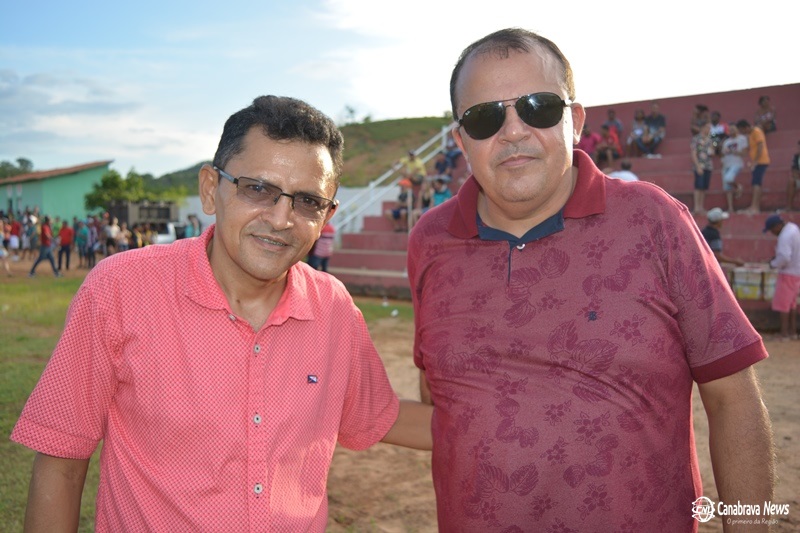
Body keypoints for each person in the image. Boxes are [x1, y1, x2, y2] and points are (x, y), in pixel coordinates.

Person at [408, 27, 773, 532]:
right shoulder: (429, 241)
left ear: (575, 121)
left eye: (538, 108)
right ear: (461, 140)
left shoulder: (654, 220)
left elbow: (733, 397)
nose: (512, 132)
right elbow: (443, 400)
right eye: (485, 117)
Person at [11, 95, 432, 531]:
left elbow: (380, 415)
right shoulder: (121, 289)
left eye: (307, 201)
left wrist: (484, 410)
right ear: (211, 189)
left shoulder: (334, 309)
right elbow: (61, 461)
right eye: (258, 189)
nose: (281, 219)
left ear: (327, 216)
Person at [763, 214, 800, 340]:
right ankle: (792, 332)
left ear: (777, 226)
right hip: (797, 271)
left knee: (783, 304)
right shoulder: (793, 228)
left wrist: (773, 264)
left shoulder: (785, 236)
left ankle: (784, 333)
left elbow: (784, 257)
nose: (773, 233)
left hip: (787, 272)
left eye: (772, 230)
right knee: (792, 304)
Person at [737, 119, 770, 214]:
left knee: (756, 184)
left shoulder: (756, 132)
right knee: (755, 183)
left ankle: (755, 207)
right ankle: (754, 206)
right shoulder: (751, 134)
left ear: (746, 127)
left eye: (742, 130)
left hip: (761, 162)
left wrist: (755, 162)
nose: (742, 133)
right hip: (757, 162)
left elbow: (760, 147)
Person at [720, 123, 748, 213]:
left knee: (729, 178)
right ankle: (730, 208)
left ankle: (738, 186)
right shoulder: (726, 142)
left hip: (736, 164)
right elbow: (723, 154)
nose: (731, 131)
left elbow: (744, 153)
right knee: (727, 188)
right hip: (726, 164)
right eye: (730, 129)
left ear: (737, 130)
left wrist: (732, 151)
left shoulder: (742, 139)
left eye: (733, 129)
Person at [690, 121, 714, 215]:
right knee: (698, 186)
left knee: (704, 187)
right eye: (708, 127)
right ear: (703, 127)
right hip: (700, 165)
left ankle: (701, 207)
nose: (709, 130)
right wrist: (698, 166)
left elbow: (712, 153)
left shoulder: (710, 140)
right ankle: (696, 207)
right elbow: (693, 153)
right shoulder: (696, 139)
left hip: (708, 165)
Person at [787, 140, 800, 211]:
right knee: (791, 181)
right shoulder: (796, 157)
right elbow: (794, 171)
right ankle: (789, 207)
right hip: (798, 179)